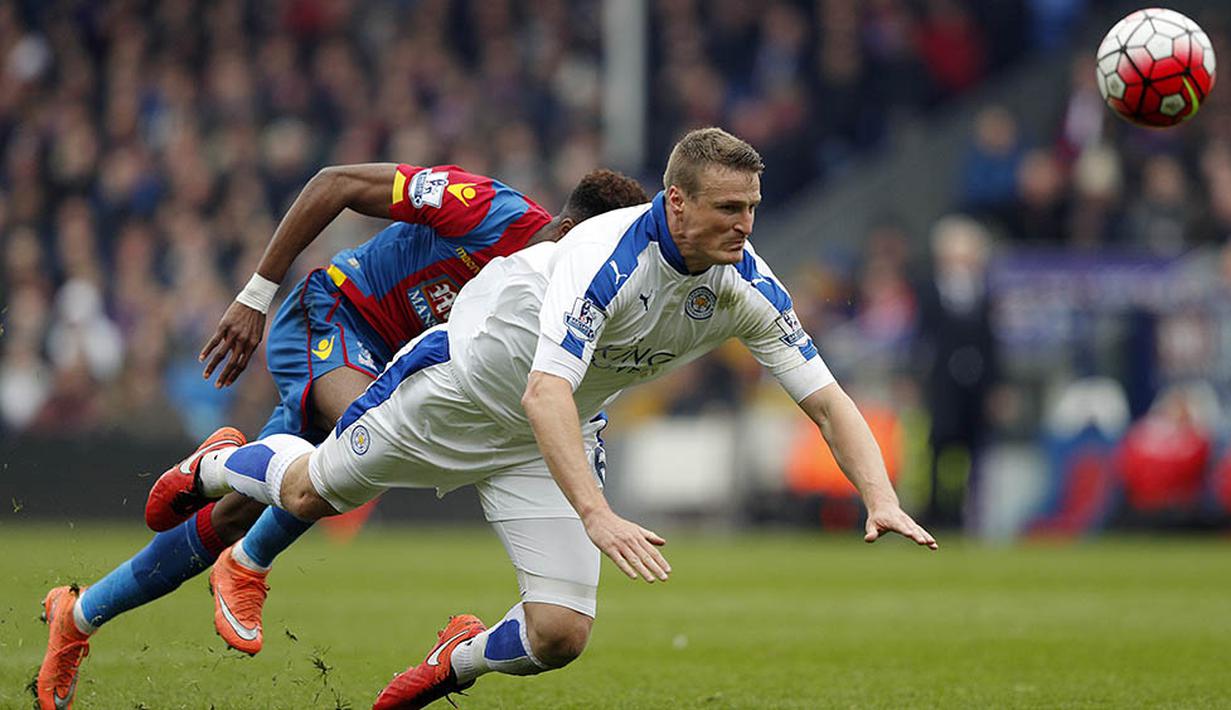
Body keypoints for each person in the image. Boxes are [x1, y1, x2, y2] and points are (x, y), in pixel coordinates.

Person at [146, 127, 937, 709]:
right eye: (728, 208)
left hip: (538, 438)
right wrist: (596, 513)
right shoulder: (604, 259)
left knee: (560, 634)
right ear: (675, 203)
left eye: (752, 208)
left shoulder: (744, 284)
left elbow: (827, 399)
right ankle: (215, 463)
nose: (745, 225)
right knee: (311, 491)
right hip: (457, 390)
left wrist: (879, 496)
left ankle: (455, 661)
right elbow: (544, 391)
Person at [36, 163, 649, 710]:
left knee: (239, 510)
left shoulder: (577, 296)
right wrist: (256, 295)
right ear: (568, 231)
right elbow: (335, 184)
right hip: (335, 312)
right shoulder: (485, 207)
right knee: (364, 435)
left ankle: (79, 615)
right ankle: (246, 554)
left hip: (399, 364)